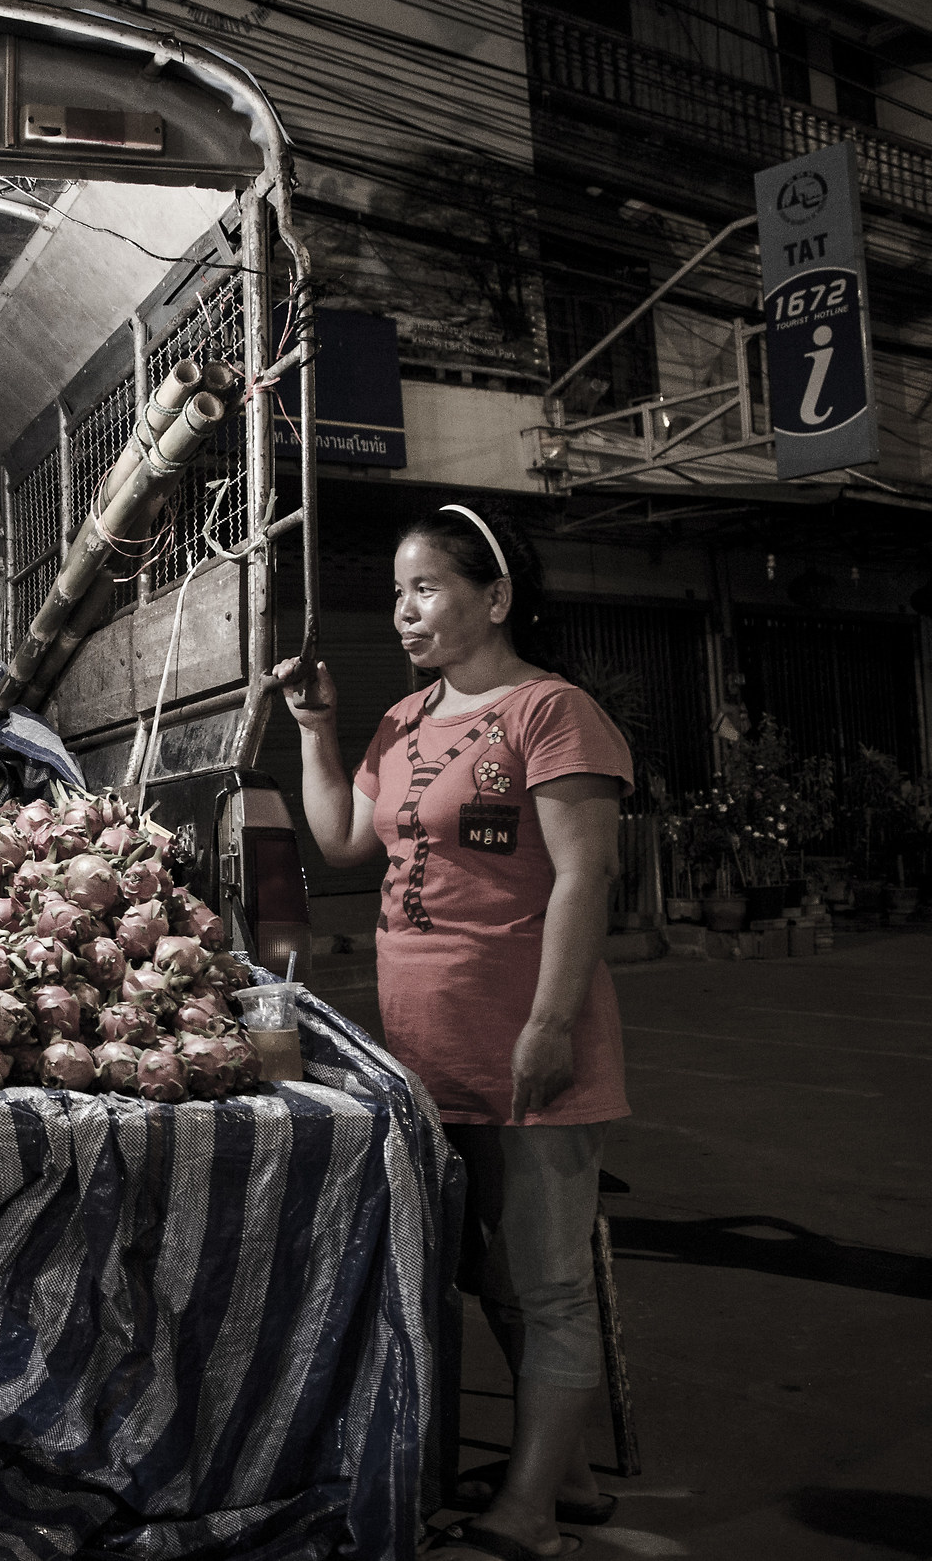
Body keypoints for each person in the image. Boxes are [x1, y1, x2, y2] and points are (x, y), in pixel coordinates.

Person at [273, 502, 632, 1561]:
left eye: (426, 587)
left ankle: (530, 1515)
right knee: (493, 1278)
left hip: (527, 1042)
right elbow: (343, 840)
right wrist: (316, 733)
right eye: (397, 592)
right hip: (426, 1057)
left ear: (496, 597)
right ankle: (563, 1477)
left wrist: (551, 1023)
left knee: (549, 1283)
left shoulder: (551, 712)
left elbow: (586, 877)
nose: (403, 610)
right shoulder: (402, 720)